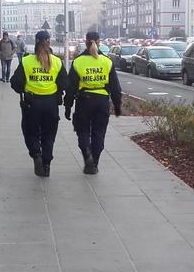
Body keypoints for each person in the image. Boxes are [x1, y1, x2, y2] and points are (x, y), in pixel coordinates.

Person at [10, 30, 67, 177]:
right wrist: (57, 91)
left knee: (30, 131)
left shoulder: (27, 61)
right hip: (51, 104)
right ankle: (46, 164)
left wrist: (24, 90)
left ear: (35, 42)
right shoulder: (57, 61)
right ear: (49, 41)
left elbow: (15, 82)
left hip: (31, 103)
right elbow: (65, 83)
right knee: (49, 134)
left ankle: (36, 155)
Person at [64, 31, 122, 175]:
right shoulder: (106, 61)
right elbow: (115, 87)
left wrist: (67, 106)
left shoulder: (78, 61)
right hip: (102, 101)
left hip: (84, 101)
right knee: (99, 133)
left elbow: (71, 88)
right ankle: (94, 162)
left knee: (82, 131)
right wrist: (117, 106)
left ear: (86, 41)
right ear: (99, 42)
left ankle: (87, 155)